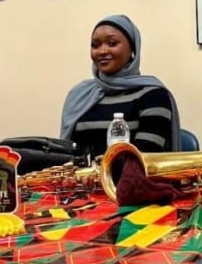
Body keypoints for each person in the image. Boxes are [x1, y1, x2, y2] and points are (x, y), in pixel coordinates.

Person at [60, 14, 180, 158]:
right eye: (95, 45)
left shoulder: (153, 96)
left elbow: (142, 158)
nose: (102, 51)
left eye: (112, 43)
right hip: (80, 179)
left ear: (132, 50)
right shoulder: (79, 95)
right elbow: (65, 154)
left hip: (131, 179)